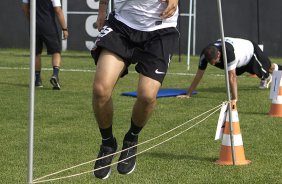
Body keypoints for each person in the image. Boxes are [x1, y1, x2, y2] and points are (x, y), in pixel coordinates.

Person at [91, 0, 179, 179]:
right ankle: (108, 143)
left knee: (147, 96)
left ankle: (131, 139)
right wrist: (102, 9)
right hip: (122, 25)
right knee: (101, 90)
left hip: (160, 29)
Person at [177, 37, 282, 101]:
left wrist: (234, 98)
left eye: (215, 61)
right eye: (210, 62)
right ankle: (266, 77)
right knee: (263, 71)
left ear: (219, 54)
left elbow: (232, 77)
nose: (213, 64)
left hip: (250, 52)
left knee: (270, 69)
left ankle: (271, 74)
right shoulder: (205, 54)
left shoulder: (228, 52)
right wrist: (188, 94)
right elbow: (199, 74)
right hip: (240, 61)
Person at [22, 0, 69, 90]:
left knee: (36, 53)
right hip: (49, 26)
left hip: (34, 26)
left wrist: (31, 20)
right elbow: (58, 10)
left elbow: (24, 8)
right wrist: (64, 28)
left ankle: (37, 80)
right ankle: (55, 75)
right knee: (56, 52)